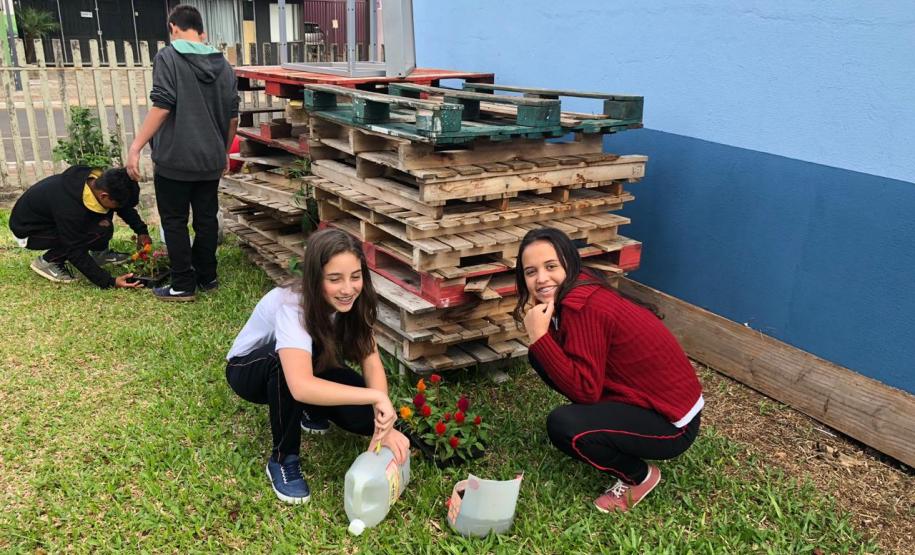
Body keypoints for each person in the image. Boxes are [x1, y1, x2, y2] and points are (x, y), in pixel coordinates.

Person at [514, 228, 703, 513]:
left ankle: (638, 476)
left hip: (673, 425)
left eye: (551, 266)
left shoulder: (583, 307)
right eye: (531, 272)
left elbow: (584, 391)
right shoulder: (578, 287)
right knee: (540, 356)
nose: (541, 278)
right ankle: (602, 429)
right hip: (649, 402)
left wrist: (539, 335)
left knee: (564, 425)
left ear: (569, 263)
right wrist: (543, 339)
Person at [225, 229, 410, 504]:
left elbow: (370, 360)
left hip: (307, 363)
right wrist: (375, 396)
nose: (348, 288)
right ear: (315, 278)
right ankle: (283, 459)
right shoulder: (293, 306)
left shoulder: (356, 302)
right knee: (284, 366)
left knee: (362, 418)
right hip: (249, 370)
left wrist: (383, 421)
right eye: (335, 279)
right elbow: (300, 385)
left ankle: (309, 411)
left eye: (355, 276)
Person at [126, 4, 239, 302]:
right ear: (201, 31)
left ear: (173, 28)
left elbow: (162, 105)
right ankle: (207, 276)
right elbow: (233, 118)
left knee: (175, 221)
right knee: (206, 219)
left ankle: (182, 285)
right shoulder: (225, 66)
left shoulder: (168, 57)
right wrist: (223, 152)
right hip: (211, 160)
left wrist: (135, 147)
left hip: (174, 160)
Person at [9, 165, 150, 289]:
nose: (120, 207)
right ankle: (48, 261)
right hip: (30, 231)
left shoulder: (100, 182)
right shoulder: (70, 209)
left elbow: (124, 207)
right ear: (104, 196)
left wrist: (141, 231)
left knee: (103, 226)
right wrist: (109, 281)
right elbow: (74, 249)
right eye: (118, 204)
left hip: (52, 219)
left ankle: (100, 254)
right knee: (94, 231)